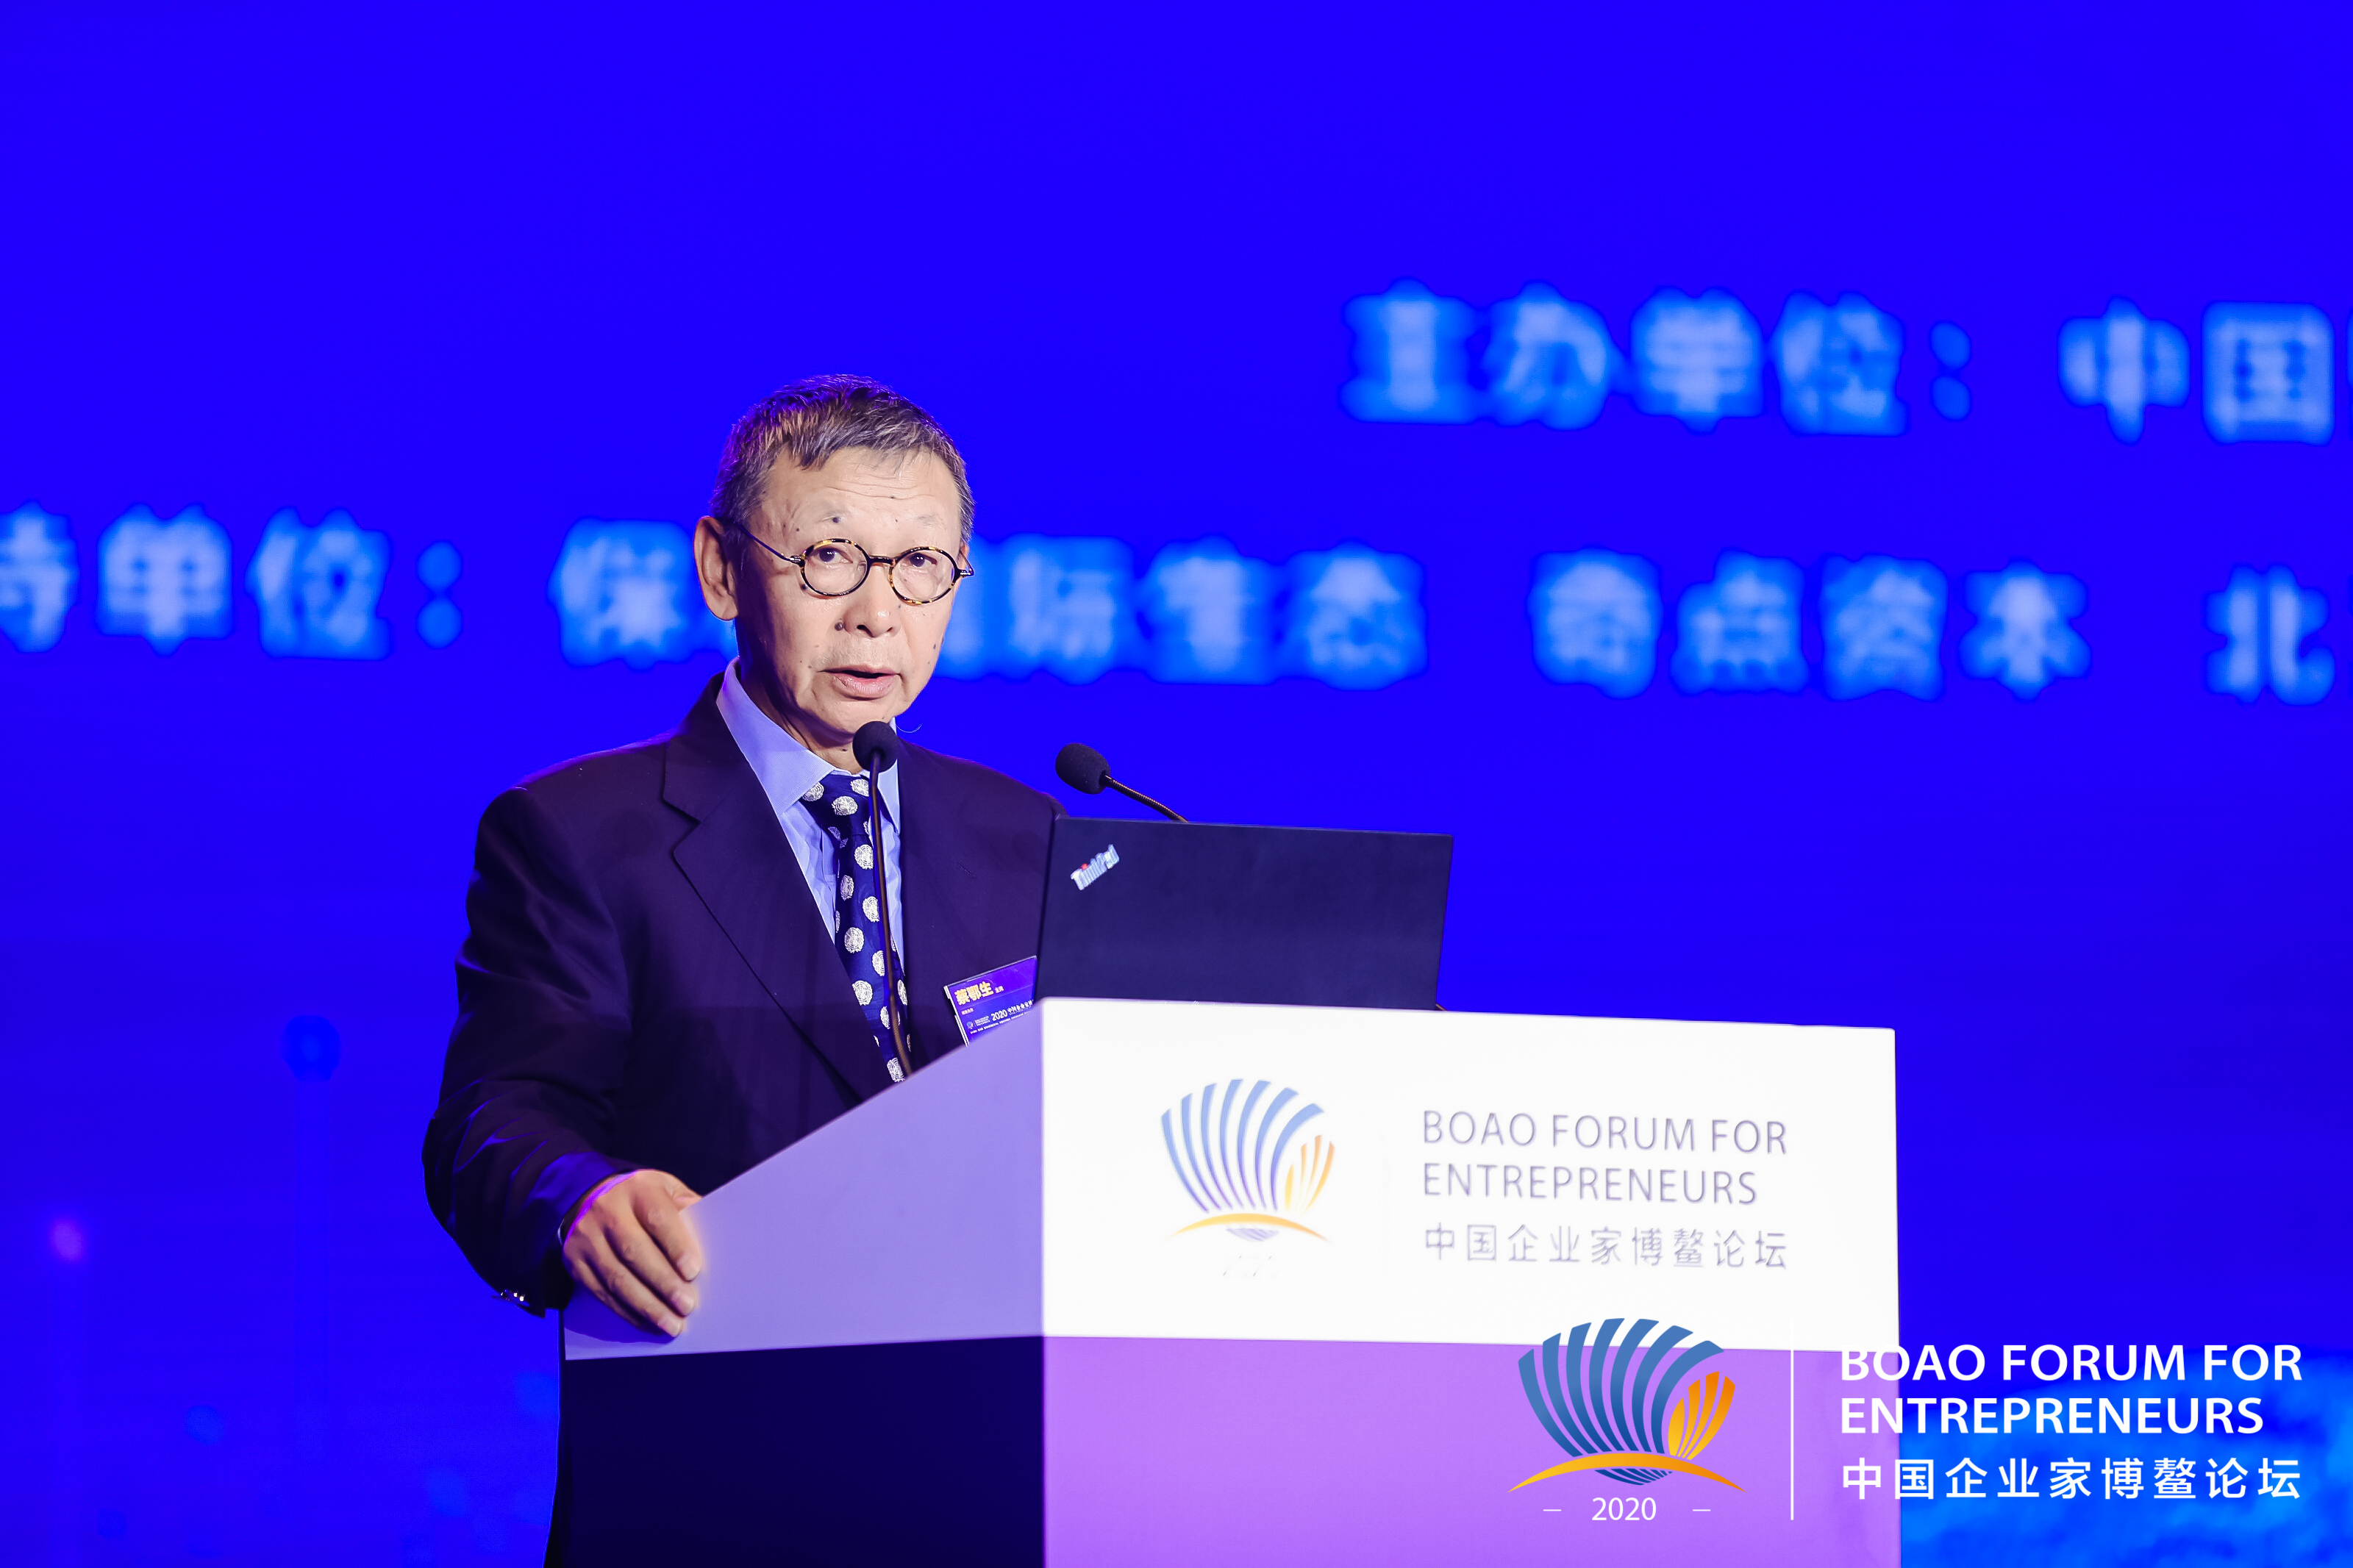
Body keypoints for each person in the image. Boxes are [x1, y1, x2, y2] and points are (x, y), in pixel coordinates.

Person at [423, 376, 1054, 1349]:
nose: (877, 613)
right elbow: (495, 1120)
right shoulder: (578, 834)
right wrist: (582, 1197)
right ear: (721, 571)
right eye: (830, 558)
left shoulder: (1025, 834)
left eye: (921, 565)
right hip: (726, 1390)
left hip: (1001, 1398)